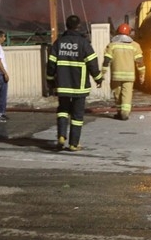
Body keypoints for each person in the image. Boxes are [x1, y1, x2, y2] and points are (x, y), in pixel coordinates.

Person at [46, 15, 104, 151]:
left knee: (63, 110)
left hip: (63, 85)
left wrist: (50, 81)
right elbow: (93, 64)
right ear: (78, 26)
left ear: (66, 26)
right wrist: (98, 78)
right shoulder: (84, 43)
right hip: (80, 86)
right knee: (77, 116)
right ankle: (73, 144)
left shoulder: (58, 43)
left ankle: (61, 135)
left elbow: (51, 64)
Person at [102, 23, 145, 120]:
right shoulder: (135, 46)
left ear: (117, 32)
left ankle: (119, 112)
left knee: (117, 94)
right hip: (129, 76)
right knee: (127, 94)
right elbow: (140, 62)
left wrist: (102, 73)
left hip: (116, 76)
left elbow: (106, 60)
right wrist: (142, 75)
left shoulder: (112, 45)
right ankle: (125, 113)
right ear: (129, 33)